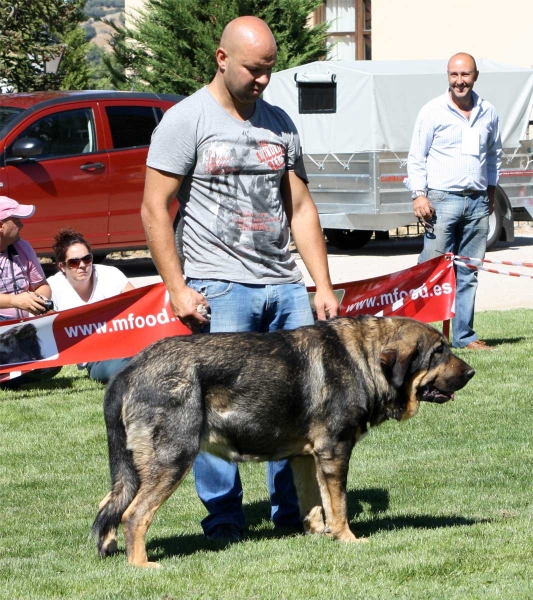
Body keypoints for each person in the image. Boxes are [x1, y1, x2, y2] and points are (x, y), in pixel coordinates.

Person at [141, 16, 339, 542]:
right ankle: (224, 521)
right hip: (221, 288)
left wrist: (320, 283)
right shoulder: (187, 121)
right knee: (213, 411)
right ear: (222, 58)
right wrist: (177, 286)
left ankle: (296, 516)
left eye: (270, 70)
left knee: (300, 405)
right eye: (254, 69)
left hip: (284, 286)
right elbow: (155, 208)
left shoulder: (279, 123)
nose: (263, 80)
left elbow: (300, 208)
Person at [406, 52, 502, 350]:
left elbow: (494, 156)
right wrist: (419, 194)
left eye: (465, 75)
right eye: (454, 75)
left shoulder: (489, 112)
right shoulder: (432, 111)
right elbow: (416, 157)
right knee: (429, 270)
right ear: (448, 76)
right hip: (441, 201)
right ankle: (415, 336)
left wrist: (491, 192)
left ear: (475, 76)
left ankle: (463, 336)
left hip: (477, 203)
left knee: (469, 271)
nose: (459, 81)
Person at [48, 228, 135, 383]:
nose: (82, 265)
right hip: (96, 358)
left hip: (128, 344)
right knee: (117, 370)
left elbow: (139, 305)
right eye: (74, 262)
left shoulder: (111, 274)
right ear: (62, 266)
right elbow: (45, 327)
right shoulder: (53, 287)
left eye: (87, 259)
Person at [0, 196, 59, 388]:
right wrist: (15, 301)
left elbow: (42, 285)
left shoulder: (22, 247)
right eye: (17, 221)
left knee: (52, 364)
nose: (22, 225)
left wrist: (39, 301)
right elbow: (16, 300)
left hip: (21, 329)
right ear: (1, 226)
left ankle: (12, 373)